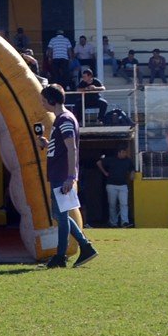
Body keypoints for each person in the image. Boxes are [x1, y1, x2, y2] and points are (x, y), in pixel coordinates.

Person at [38, 84, 98, 269]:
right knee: (59, 214)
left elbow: (72, 148)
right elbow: (64, 147)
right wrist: (47, 144)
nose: (42, 104)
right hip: (59, 173)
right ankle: (85, 246)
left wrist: (71, 176)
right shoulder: (63, 119)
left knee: (61, 216)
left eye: (44, 101)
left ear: (52, 100)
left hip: (62, 174)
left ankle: (60, 256)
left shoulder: (64, 119)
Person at [97, 147, 134, 227]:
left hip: (123, 185)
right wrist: (105, 172)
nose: (125, 154)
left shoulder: (128, 160)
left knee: (124, 204)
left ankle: (124, 222)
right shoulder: (110, 159)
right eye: (123, 152)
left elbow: (132, 168)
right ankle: (113, 222)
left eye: (125, 152)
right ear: (119, 152)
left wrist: (132, 174)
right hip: (111, 185)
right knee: (112, 205)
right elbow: (99, 162)